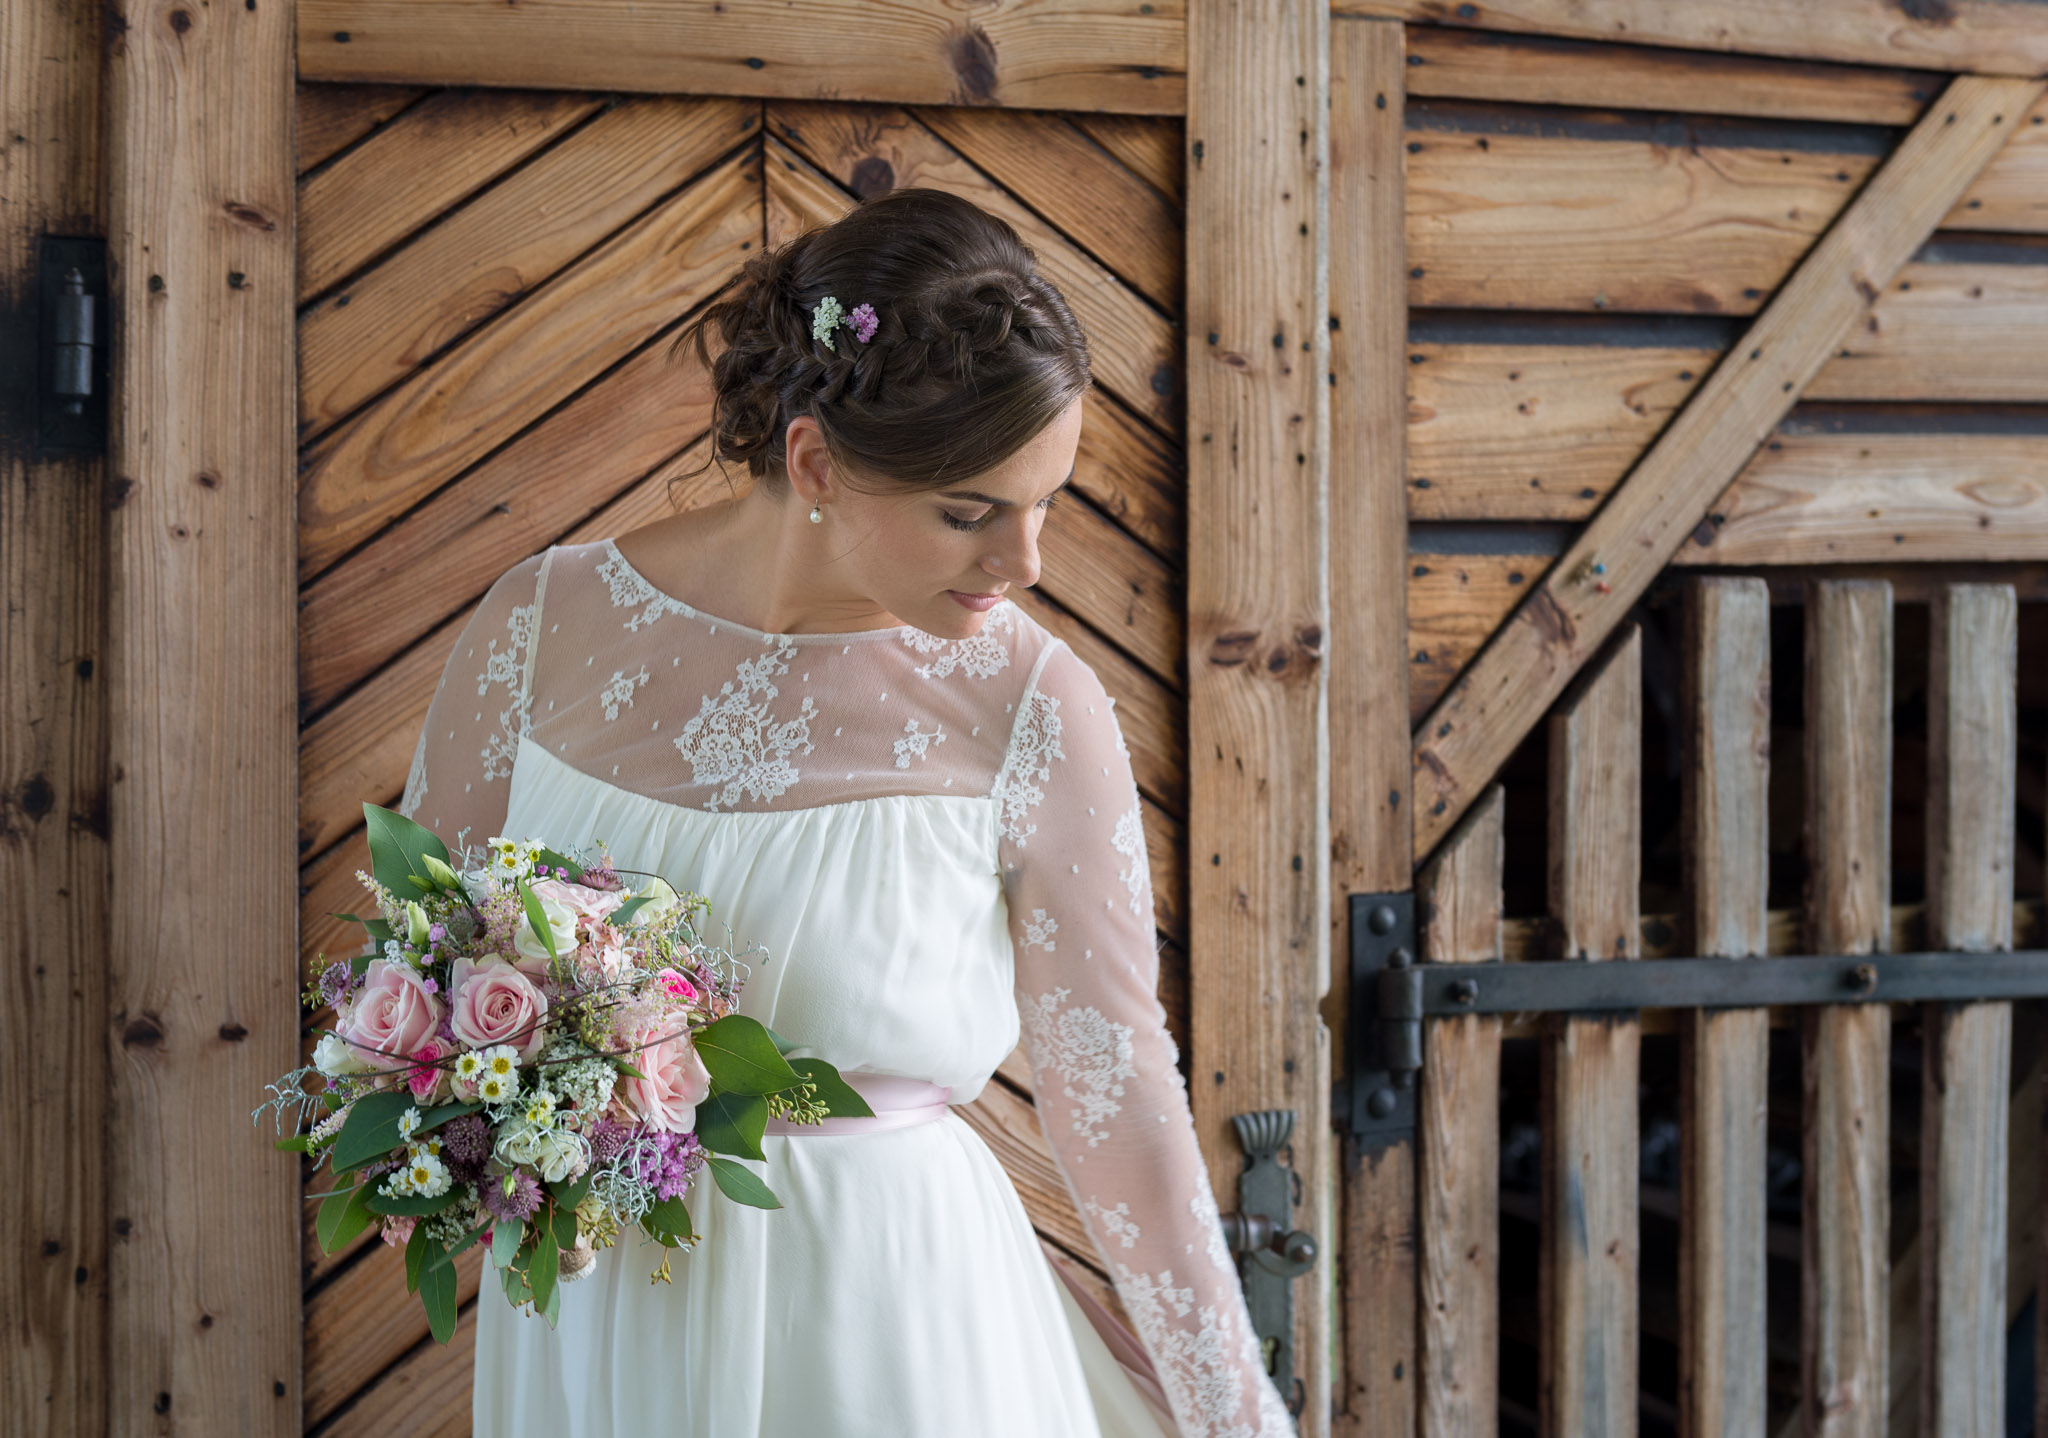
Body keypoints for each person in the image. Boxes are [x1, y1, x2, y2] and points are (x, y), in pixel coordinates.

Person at [399, 185, 1295, 1437]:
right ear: (814, 460)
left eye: (1045, 503)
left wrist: (1233, 1412)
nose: (1022, 562)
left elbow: (1116, 1094)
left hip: (886, 1318)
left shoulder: (1036, 708)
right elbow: (415, 965)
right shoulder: (538, 628)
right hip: (598, 1313)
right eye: (969, 511)